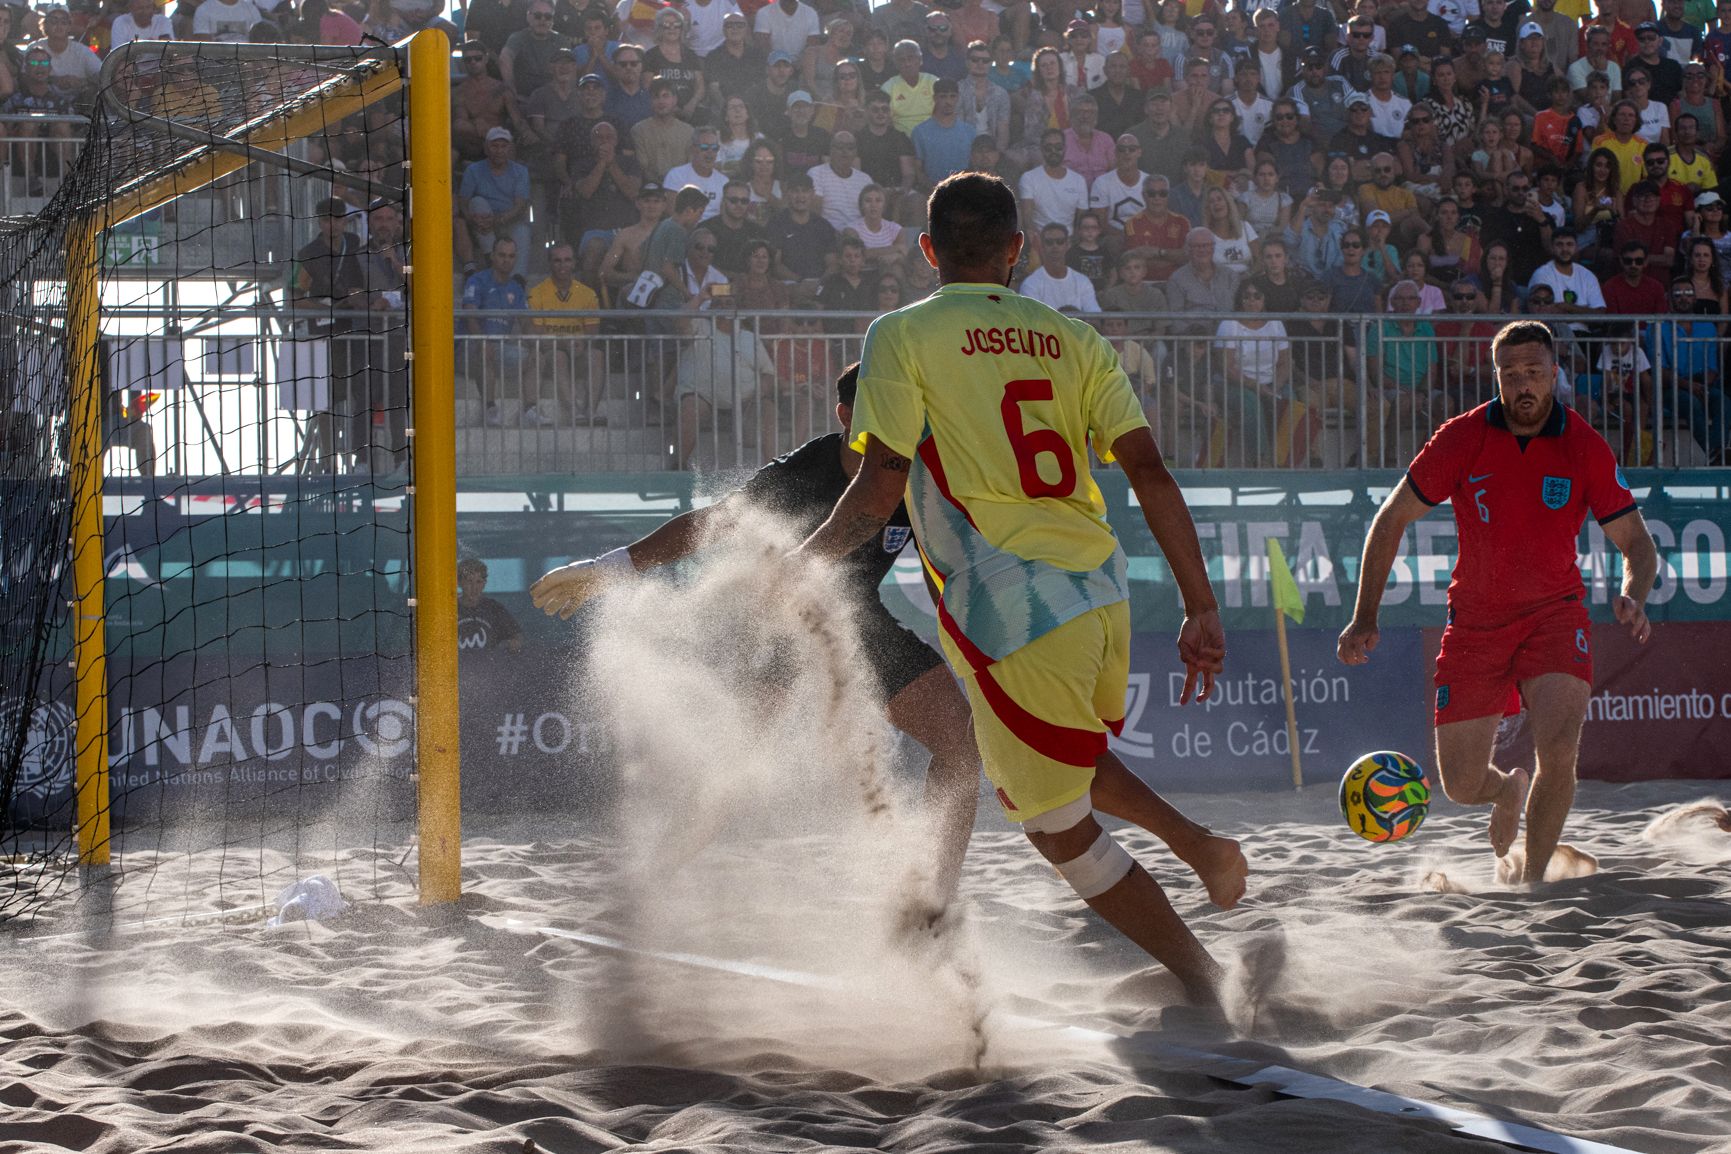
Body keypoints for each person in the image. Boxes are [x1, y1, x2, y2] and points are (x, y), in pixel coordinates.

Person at [793, 172, 1245, 1004]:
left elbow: (878, 488)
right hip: (1104, 594)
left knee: (1055, 828)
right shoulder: (1072, 336)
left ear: (927, 250)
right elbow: (1147, 469)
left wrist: (801, 565)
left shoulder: (899, 333)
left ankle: (1207, 981)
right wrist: (1200, 605)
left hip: (1010, 610)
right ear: (1015, 251)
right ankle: (1198, 845)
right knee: (1058, 757)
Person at [530, 365, 983, 906]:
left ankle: (933, 906)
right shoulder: (806, 471)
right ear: (846, 417)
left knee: (961, 747)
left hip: (857, 617)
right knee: (729, 775)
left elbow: (957, 558)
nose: (900, 420)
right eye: (883, 408)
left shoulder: (920, 474)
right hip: (777, 624)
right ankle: (649, 882)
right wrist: (613, 565)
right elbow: (715, 522)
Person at [1339, 320, 1658, 886]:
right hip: (1476, 623)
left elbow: (1637, 543)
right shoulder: (1462, 437)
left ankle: (1533, 882)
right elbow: (1389, 521)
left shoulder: (1583, 444)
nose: (1523, 386)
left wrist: (1633, 594)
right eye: (1510, 375)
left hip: (1555, 614)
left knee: (1558, 749)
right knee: (1459, 784)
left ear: (1555, 373)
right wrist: (1365, 615)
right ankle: (1505, 788)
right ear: (1497, 378)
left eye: (1534, 373)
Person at [458, 558, 524, 653]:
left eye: (478, 582)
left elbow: (517, 636)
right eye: (469, 581)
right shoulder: (450, 609)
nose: (474, 587)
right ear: (459, 583)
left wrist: (512, 644)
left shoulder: (494, 608)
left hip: (490, 665)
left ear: (484, 583)